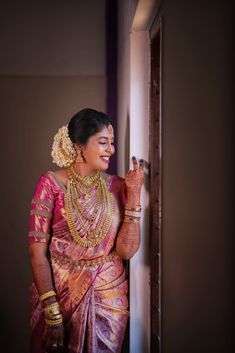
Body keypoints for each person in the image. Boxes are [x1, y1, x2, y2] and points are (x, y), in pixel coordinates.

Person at [28, 108, 144, 353]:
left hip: (107, 297)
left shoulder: (117, 186)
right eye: (103, 143)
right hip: (60, 295)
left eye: (112, 143)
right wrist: (52, 314)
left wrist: (134, 195)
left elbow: (125, 252)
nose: (111, 150)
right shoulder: (51, 185)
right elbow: (37, 253)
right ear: (79, 146)